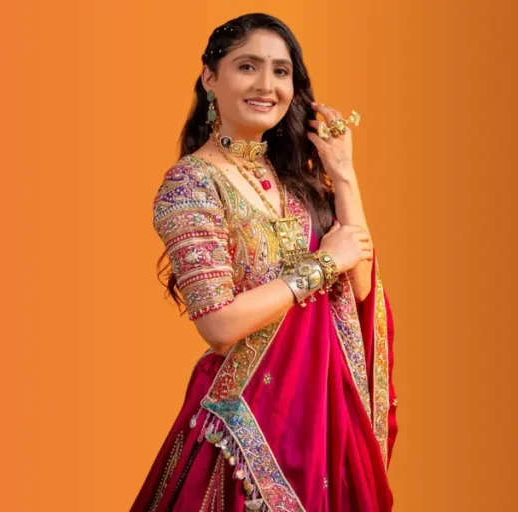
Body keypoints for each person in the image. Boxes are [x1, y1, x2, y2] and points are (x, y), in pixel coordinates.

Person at [132, 13, 398, 512]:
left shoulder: (297, 181)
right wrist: (323, 264)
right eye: (247, 66)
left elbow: (360, 287)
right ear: (210, 78)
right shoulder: (191, 183)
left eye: (281, 71)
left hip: (323, 424)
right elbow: (218, 324)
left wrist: (343, 173)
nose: (266, 85)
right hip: (246, 431)